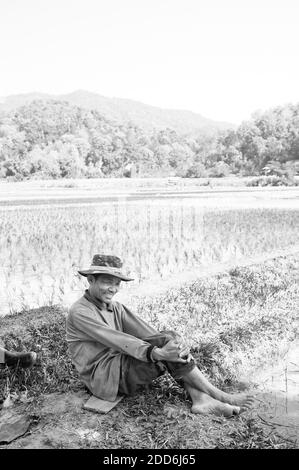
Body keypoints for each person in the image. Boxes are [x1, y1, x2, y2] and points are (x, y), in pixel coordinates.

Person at [66, 254, 254, 417]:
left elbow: (148, 333)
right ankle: (219, 395)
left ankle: (201, 399)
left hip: (120, 365)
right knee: (162, 347)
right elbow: (121, 341)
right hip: (106, 378)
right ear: (91, 280)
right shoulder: (80, 312)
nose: (113, 289)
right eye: (107, 282)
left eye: (116, 284)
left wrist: (175, 342)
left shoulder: (115, 307)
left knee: (168, 338)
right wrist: (158, 353)